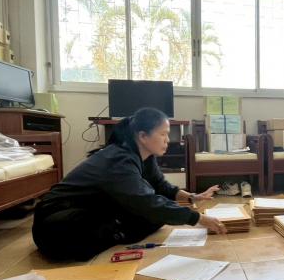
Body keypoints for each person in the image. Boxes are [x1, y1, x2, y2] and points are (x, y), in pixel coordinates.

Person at [33, 107, 226, 261]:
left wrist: (192, 197)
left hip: (91, 212)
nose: (168, 140)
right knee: (150, 212)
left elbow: (160, 186)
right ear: (143, 136)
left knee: (155, 215)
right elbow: (146, 202)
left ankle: (117, 230)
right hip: (58, 224)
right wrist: (198, 218)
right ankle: (115, 233)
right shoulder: (119, 159)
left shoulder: (145, 155)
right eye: (163, 134)